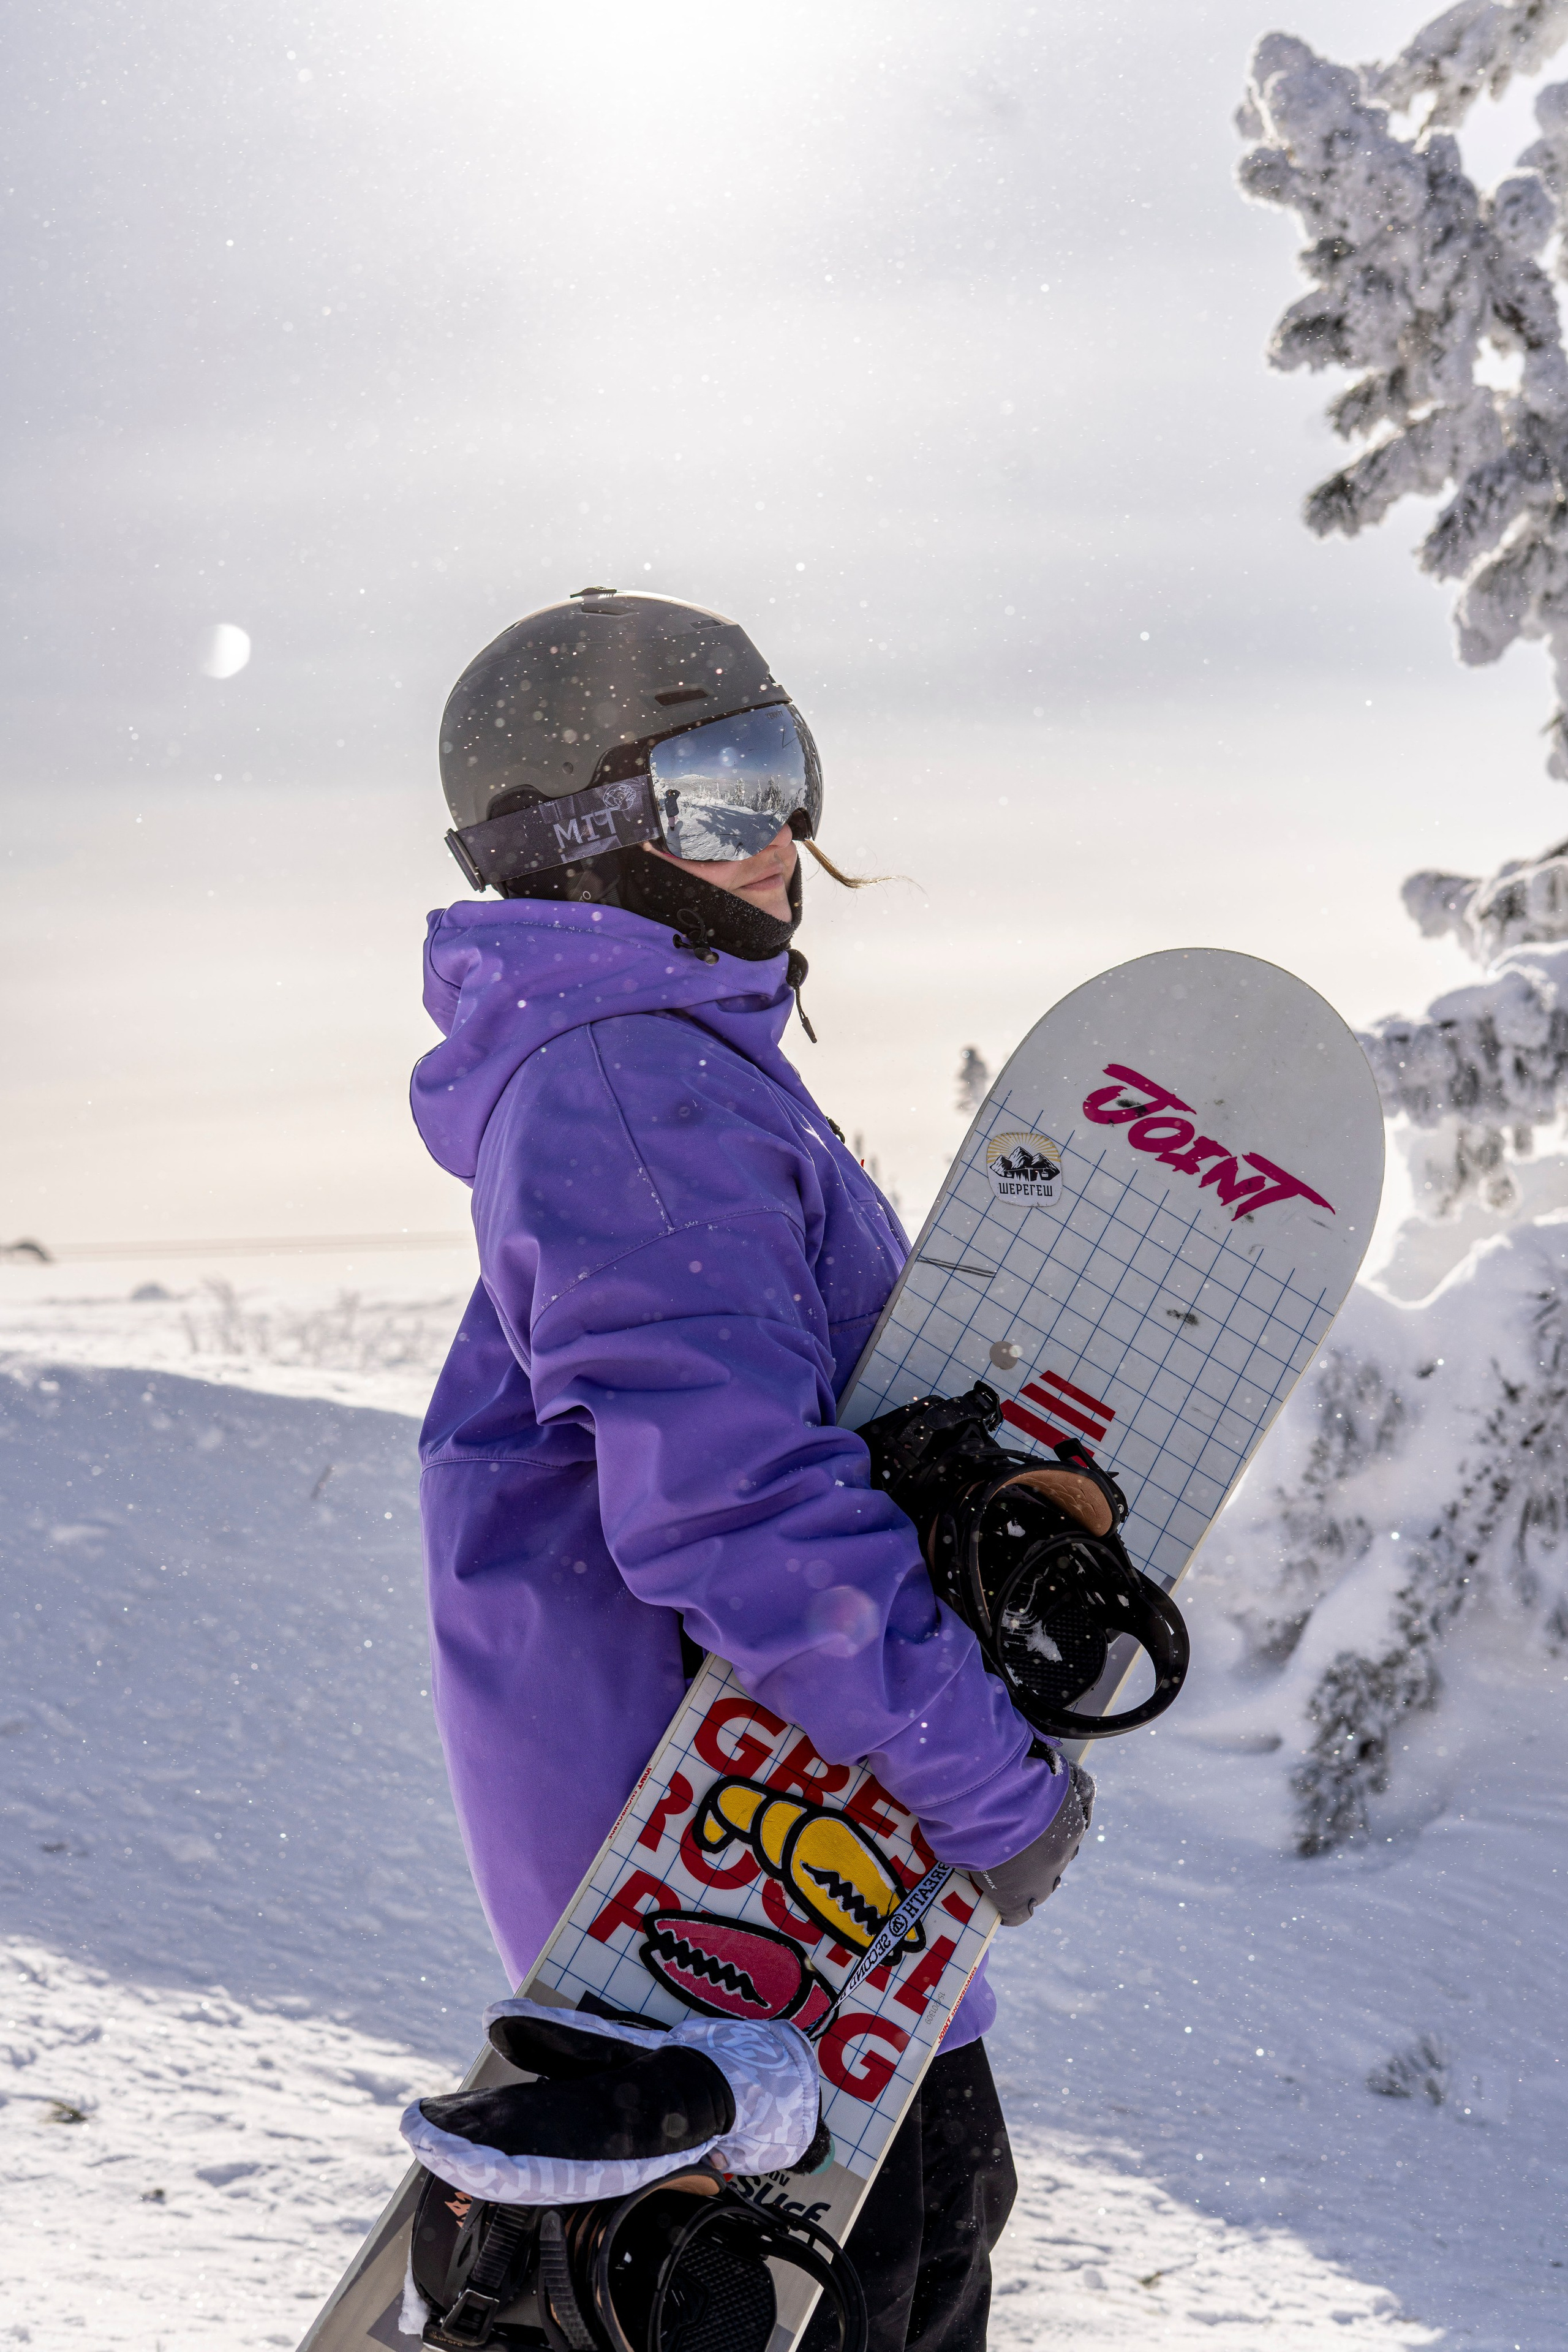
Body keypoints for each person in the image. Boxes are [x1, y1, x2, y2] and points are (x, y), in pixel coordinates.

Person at [410, 587, 1092, 2352]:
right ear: (587, 846)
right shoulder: (636, 1087)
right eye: (720, 791)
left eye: (785, 766)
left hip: (777, 1933)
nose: (786, 832)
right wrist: (991, 1787)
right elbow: (732, 1505)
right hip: (738, 1943)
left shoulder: (661, 1077)